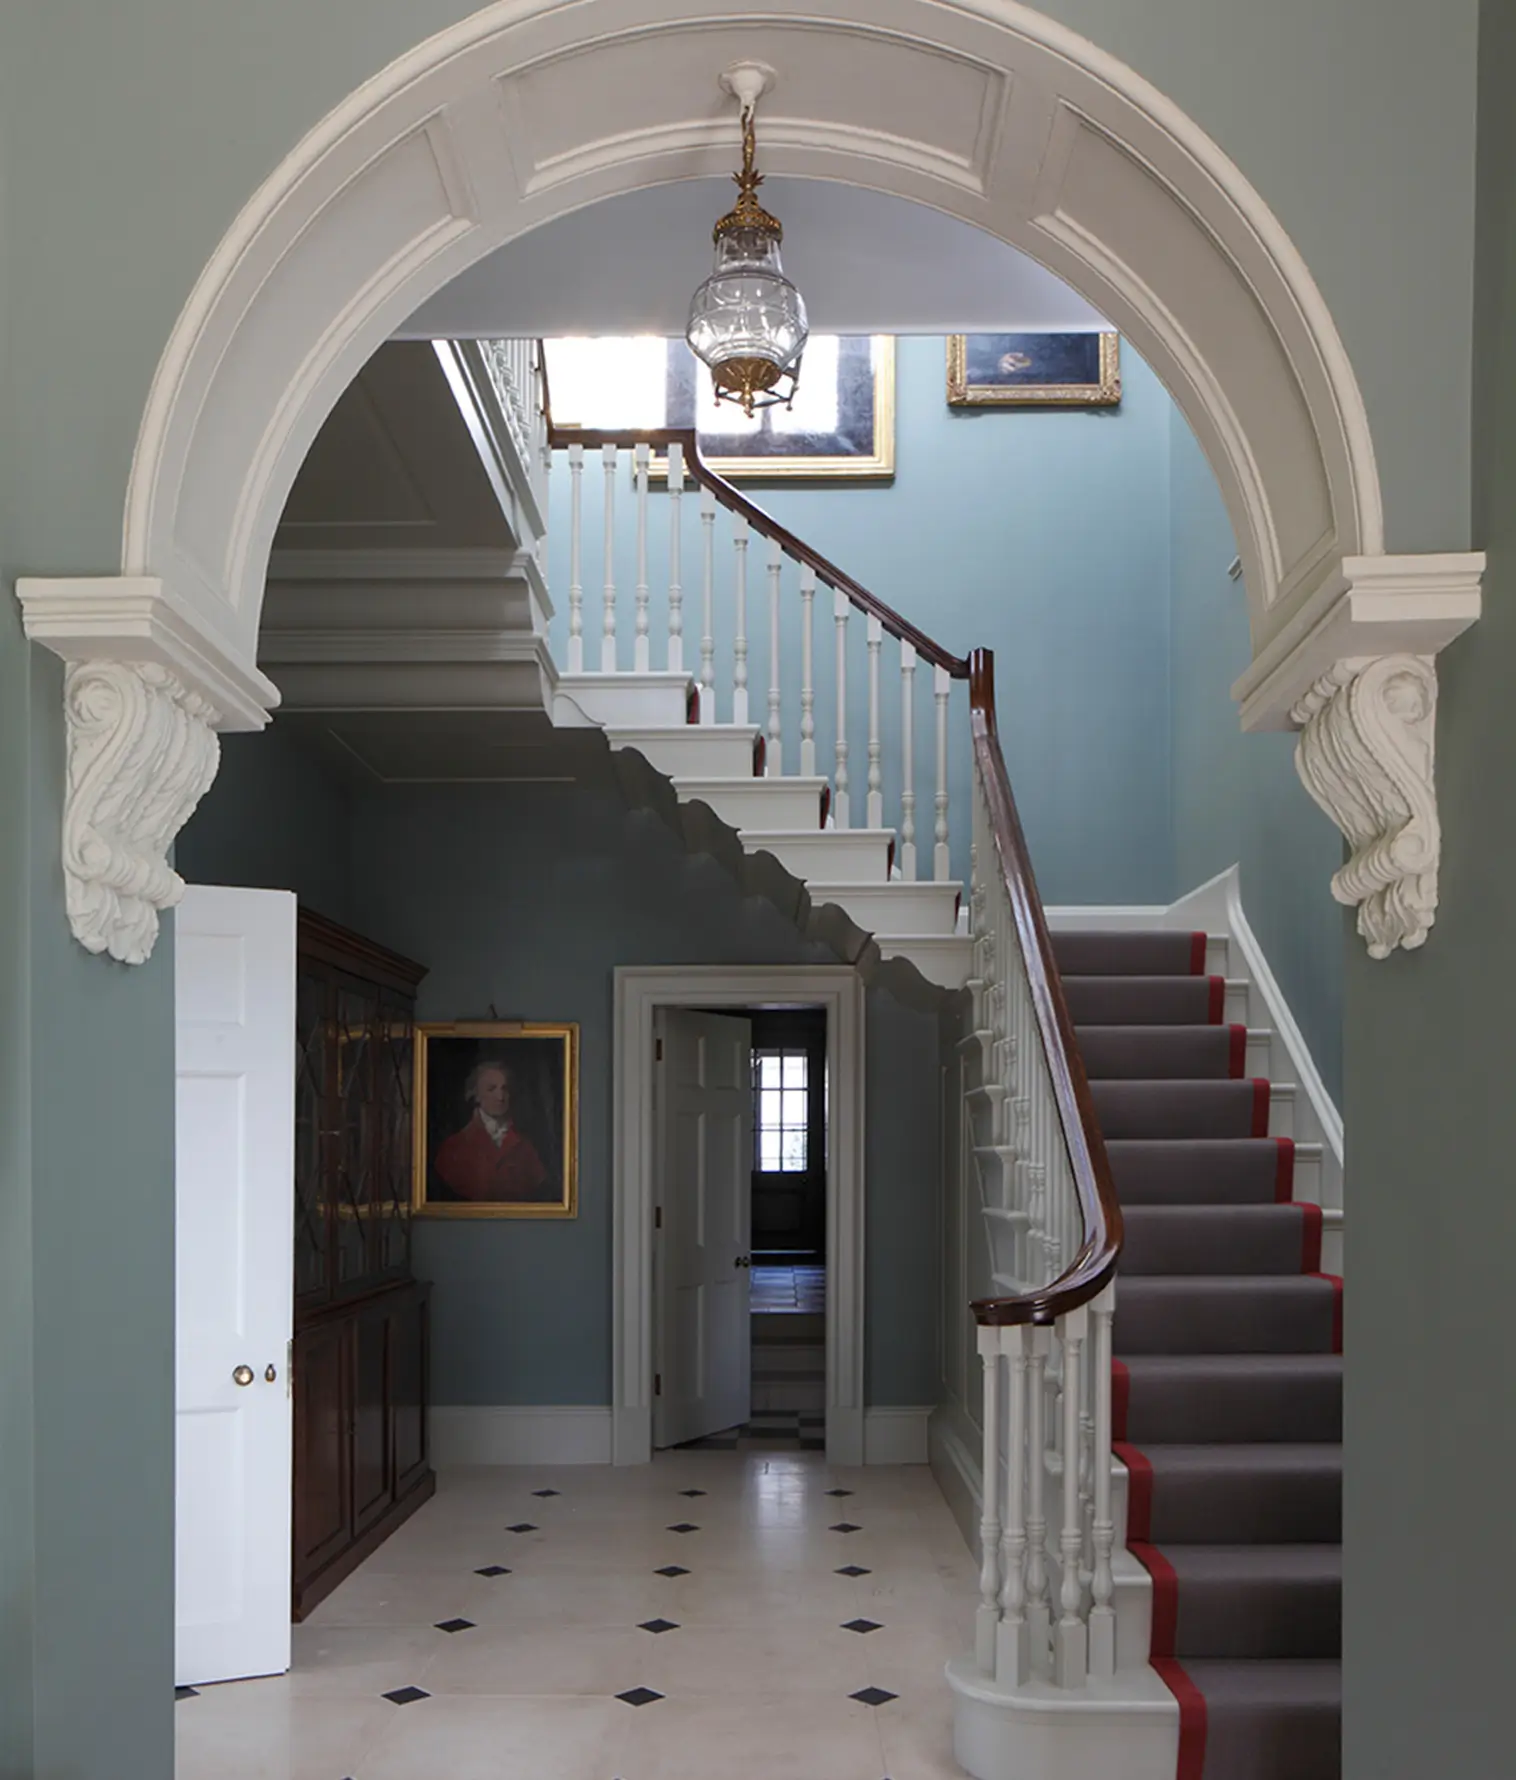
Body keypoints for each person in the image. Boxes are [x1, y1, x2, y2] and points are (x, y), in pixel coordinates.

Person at [432, 1060, 551, 1202]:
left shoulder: (526, 1147)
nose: (500, 1097)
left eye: (504, 1089)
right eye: (491, 1089)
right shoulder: (453, 1147)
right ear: (476, 1095)